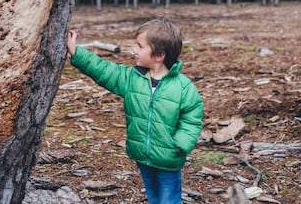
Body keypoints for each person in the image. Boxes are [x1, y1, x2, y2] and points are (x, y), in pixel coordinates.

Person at [67, 18, 204, 204]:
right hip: (142, 155)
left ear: (158, 55)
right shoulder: (132, 78)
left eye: (140, 47)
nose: (134, 50)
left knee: (169, 200)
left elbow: (192, 117)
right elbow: (104, 70)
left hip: (168, 159)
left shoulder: (183, 88)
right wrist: (77, 52)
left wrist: (180, 144)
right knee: (154, 198)